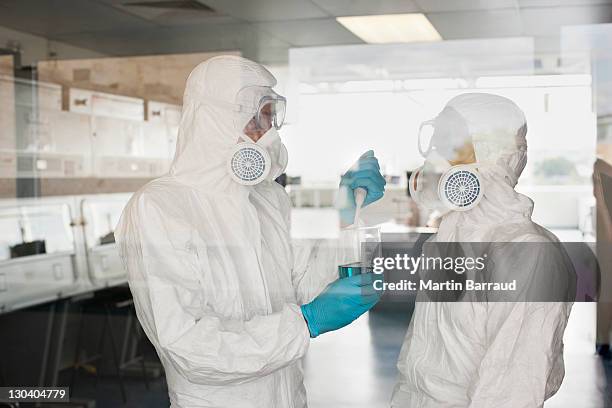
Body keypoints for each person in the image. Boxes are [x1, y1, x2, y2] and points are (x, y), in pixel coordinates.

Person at [115, 55, 385, 408]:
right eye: (256, 117)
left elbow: (303, 287)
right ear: (213, 120)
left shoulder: (269, 197)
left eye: (271, 116)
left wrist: (344, 214)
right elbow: (187, 347)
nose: (268, 132)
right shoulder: (160, 207)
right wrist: (304, 323)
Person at [392, 93, 576, 407]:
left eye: (449, 144)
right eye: (436, 144)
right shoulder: (447, 240)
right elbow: (420, 360)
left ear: (494, 154)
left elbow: (512, 391)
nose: (435, 158)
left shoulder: (528, 253)